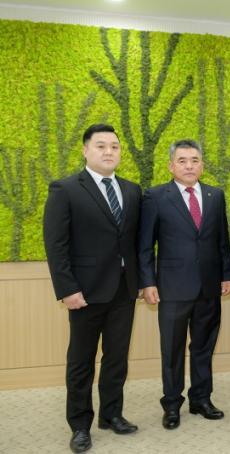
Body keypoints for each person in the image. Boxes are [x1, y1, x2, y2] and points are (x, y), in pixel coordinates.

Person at [43, 124, 142, 453]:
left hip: (124, 290)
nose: (109, 151)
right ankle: (80, 425)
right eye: (101, 146)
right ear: (85, 150)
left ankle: (111, 415)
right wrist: (67, 289)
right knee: (81, 361)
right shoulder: (66, 189)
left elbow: (134, 242)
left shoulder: (131, 190)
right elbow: (56, 245)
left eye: (114, 146)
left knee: (117, 358)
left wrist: (141, 282)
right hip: (84, 293)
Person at [138, 139, 230, 430]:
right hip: (172, 287)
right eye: (182, 161)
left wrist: (226, 275)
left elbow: (222, 241)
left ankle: (201, 399)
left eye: (194, 160)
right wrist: (147, 282)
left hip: (209, 287)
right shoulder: (155, 196)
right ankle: (171, 405)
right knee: (172, 350)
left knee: (204, 347)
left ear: (202, 165)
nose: (189, 166)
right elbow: (145, 245)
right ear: (171, 166)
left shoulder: (215, 195)